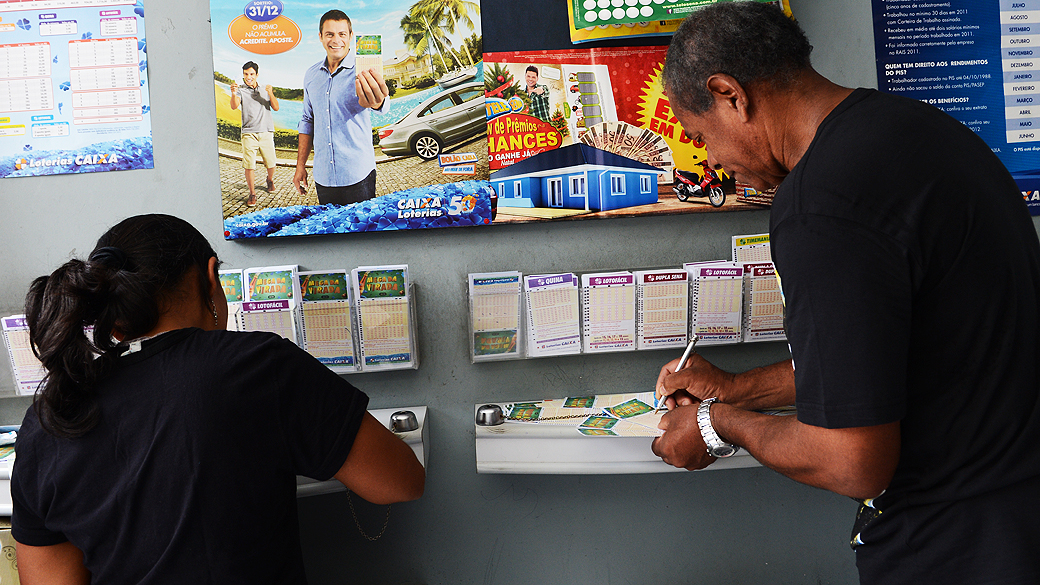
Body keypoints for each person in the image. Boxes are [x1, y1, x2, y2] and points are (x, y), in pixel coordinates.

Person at [652, 3, 1040, 584]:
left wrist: (718, 426)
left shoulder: (819, 209)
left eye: (701, 135)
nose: (713, 161)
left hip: (955, 541)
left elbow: (853, 460)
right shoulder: (919, 129)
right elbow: (891, 352)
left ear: (731, 93)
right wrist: (739, 390)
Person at [11, 214, 424, 583]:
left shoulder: (49, 417)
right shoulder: (259, 365)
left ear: (113, 316)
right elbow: (399, 482)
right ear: (211, 278)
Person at [293, 10, 389, 206]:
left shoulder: (364, 69)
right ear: (320, 37)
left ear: (351, 37)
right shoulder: (310, 75)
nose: (336, 40)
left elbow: (384, 106)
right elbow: (307, 120)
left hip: (358, 174)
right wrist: (300, 166)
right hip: (323, 177)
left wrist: (378, 101)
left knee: (362, 233)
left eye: (342, 34)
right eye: (330, 34)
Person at [230, 61, 280, 207]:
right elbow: (234, 106)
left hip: (266, 131)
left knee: (271, 163)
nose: (248, 77)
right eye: (246, 74)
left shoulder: (265, 89)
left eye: (251, 74)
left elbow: (276, 107)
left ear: (257, 74)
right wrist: (233, 94)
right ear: (243, 74)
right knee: (249, 165)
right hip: (248, 133)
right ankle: (252, 193)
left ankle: (269, 179)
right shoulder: (240, 90)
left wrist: (270, 93)